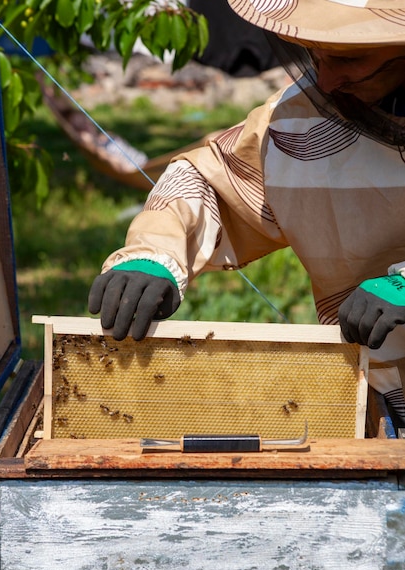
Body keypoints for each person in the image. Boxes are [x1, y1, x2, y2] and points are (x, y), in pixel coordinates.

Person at [89, 0, 405, 424]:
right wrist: (154, 253)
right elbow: (214, 179)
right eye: (316, 54)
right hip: (379, 396)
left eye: (350, 57)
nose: (326, 80)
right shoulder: (298, 118)